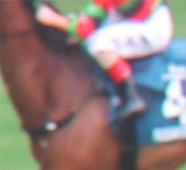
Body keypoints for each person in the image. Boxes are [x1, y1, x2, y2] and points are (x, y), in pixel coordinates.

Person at [35, 0, 172, 120]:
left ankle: (131, 96)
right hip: (138, 17)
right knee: (93, 34)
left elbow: (85, 29)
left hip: (153, 28)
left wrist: (53, 19)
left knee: (98, 42)